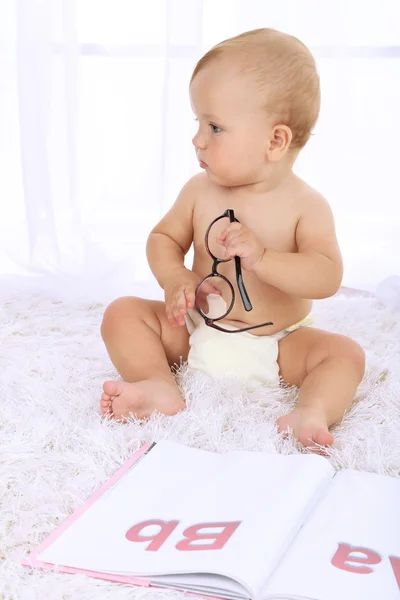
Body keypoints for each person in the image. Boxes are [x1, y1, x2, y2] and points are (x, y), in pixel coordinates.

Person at [100, 28, 365, 448]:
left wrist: (264, 258)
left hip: (278, 346)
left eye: (215, 127)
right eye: (198, 122)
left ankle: (312, 410)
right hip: (196, 329)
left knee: (345, 355)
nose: (198, 139)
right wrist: (174, 277)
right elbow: (163, 237)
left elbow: (326, 276)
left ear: (274, 141)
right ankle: (157, 384)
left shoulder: (306, 205)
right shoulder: (199, 191)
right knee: (122, 314)